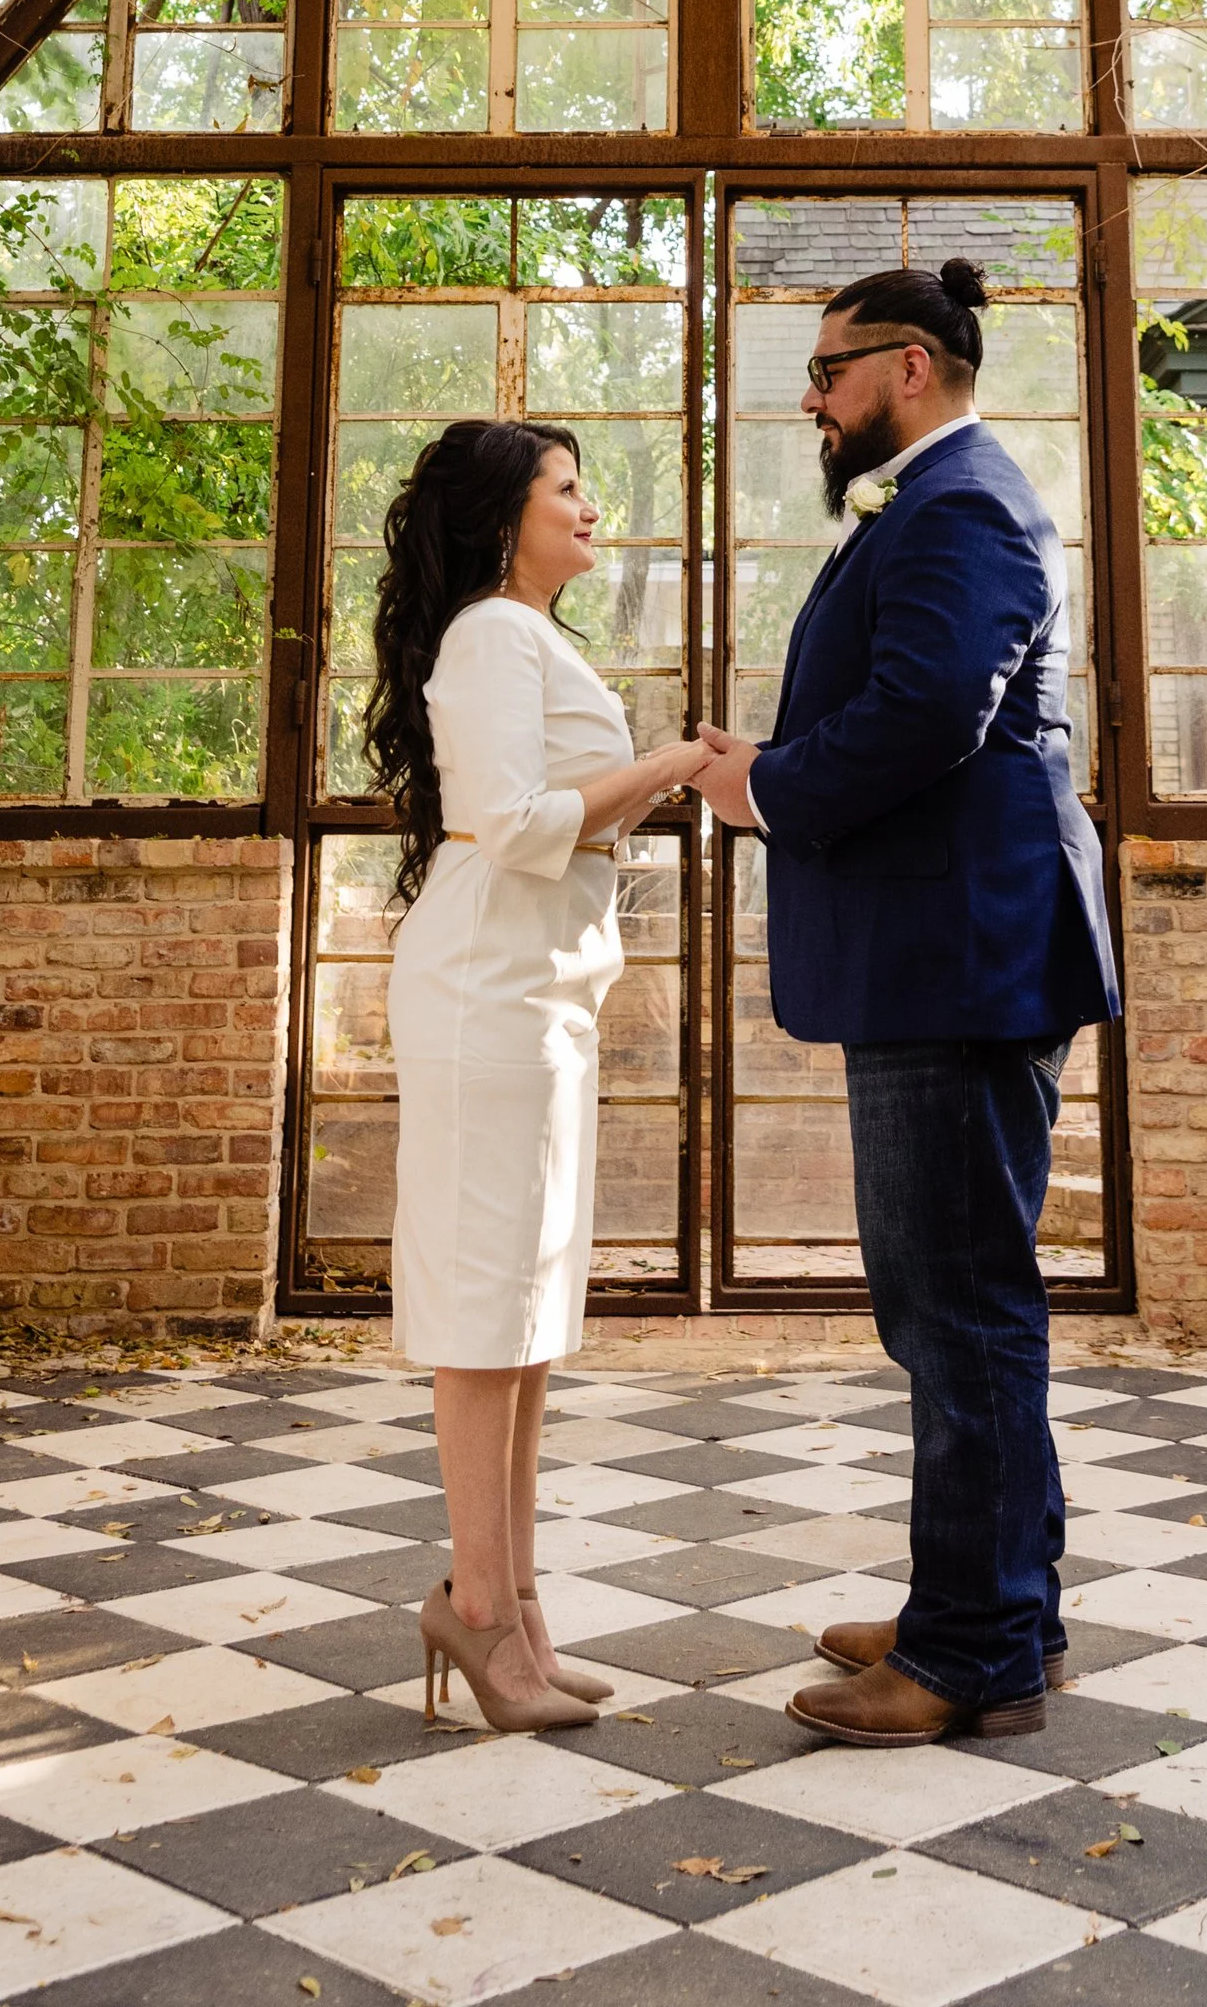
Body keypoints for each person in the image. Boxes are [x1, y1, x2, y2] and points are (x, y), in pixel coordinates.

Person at [689, 257, 1121, 1743]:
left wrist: (763, 792)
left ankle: (976, 1652)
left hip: (963, 958)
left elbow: (933, 712)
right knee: (955, 1301)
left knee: (958, 1308)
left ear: (911, 370)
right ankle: (1002, 1599)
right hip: (949, 952)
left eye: (830, 372)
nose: (812, 399)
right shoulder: (937, 498)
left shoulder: (967, 503)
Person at [370, 415, 704, 1735]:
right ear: (506, 514)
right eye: (566, 489)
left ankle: (509, 1601)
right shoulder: (490, 637)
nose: (590, 507)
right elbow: (511, 826)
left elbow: (551, 820)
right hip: (485, 998)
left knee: (529, 1311)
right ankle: (482, 1613)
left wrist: (656, 782)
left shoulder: (531, 637)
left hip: (540, 995)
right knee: (481, 1313)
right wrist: (676, 765)